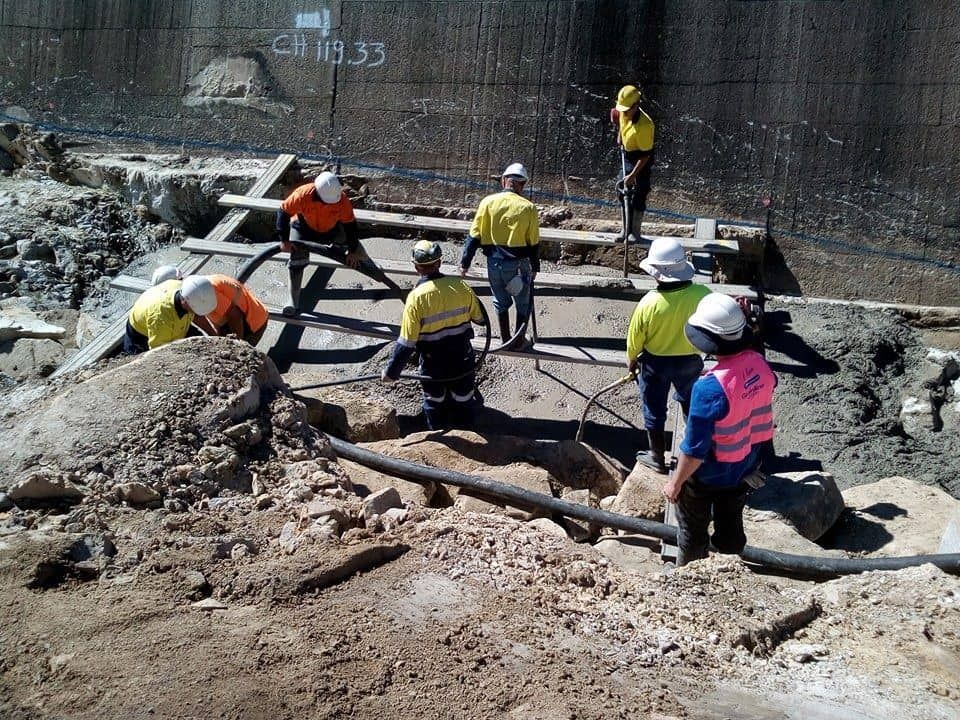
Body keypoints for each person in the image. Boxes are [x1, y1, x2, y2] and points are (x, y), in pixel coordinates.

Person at [662, 293, 777, 566]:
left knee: (692, 530)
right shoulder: (759, 364)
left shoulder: (709, 389)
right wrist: (743, 322)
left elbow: (694, 451)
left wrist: (675, 483)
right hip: (743, 467)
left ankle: (688, 575)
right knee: (730, 524)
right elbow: (759, 365)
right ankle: (729, 565)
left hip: (707, 475)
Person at [626, 237, 711, 473]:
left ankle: (657, 457)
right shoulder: (702, 294)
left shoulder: (649, 303)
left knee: (654, 409)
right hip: (690, 360)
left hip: (655, 364)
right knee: (691, 404)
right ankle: (694, 451)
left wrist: (632, 361)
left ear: (656, 272)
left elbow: (635, 339)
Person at [382, 240, 485, 430]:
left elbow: (407, 342)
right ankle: (467, 433)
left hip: (433, 363)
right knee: (464, 398)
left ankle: (437, 437)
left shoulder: (415, 298)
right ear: (439, 263)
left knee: (434, 401)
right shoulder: (461, 286)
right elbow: (480, 319)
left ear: (416, 267)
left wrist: (391, 372)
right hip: (462, 358)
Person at [460, 162, 540, 347]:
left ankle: (505, 339)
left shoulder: (487, 203)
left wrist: (465, 263)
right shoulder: (528, 207)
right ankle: (518, 340)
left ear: (504, 181)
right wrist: (535, 266)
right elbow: (533, 242)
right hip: (517, 265)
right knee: (523, 302)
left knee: (500, 301)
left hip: (493, 263)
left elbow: (473, 236)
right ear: (522, 184)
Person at [275, 171, 366, 317]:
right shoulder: (302, 194)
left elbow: (351, 226)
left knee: (357, 251)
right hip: (304, 228)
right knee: (296, 259)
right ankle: (293, 300)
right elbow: (283, 212)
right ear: (317, 193)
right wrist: (284, 241)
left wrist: (353, 251)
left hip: (331, 230)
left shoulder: (341, 200)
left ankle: (371, 266)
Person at [123, 275, 217, 354]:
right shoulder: (161, 319)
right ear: (185, 301)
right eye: (195, 310)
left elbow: (199, 317)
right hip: (141, 336)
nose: (197, 313)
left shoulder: (187, 289)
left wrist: (214, 336)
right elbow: (159, 354)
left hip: (174, 324)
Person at [610, 84, 655, 243]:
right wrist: (620, 134)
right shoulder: (623, 110)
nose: (623, 112)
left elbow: (646, 155)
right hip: (627, 154)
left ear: (636, 106)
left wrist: (633, 175)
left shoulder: (644, 125)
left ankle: (634, 233)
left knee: (639, 192)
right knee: (623, 190)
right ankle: (624, 230)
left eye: (627, 109)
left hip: (641, 158)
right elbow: (617, 117)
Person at [192, 274, 270, 346]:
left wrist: (236, 346)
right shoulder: (197, 290)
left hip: (253, 322)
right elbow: (211, 318)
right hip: (235, 321)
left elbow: (235, 316)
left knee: (242, 357)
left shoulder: (207, 291)